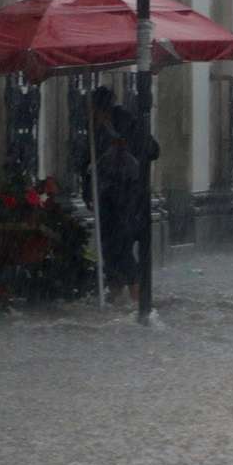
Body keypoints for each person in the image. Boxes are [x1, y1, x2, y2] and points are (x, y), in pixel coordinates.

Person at [84, 86, 160, 304]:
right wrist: (87, 191)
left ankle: (137, 298)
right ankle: (116, 293)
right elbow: (87, 161)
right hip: (106, 198)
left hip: (126, 197)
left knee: (121, 245)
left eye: (92, 109)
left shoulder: (126, 122)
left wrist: (126, 148)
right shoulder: (95, 128)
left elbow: (153, 150)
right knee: (110, 246)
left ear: (101, 108)